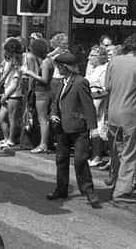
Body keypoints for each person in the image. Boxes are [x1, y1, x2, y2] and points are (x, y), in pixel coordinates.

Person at [46, 52, 101, 208]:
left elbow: (88, 106)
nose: (58, 69)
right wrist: (54, 114)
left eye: (59, 67)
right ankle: (61, 189)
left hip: (79, 128)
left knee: (80, 159)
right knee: (61, 159)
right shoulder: (61, 82)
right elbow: (56, 102)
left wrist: (93, 128)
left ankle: (89, 191)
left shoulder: (80, 82)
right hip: (62, 128)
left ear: (66, 67)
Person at [104, 32, 136, 203]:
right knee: (129, 152)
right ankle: (122, 191)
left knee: (116, 149)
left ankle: (114, 179)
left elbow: (107, 87)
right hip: (130, 113)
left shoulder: (114, 61)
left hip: (113, 110)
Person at [22, 37, 53, 154]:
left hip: (42, 92)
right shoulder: (49, 60)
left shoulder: (45, 63)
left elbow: (44, 79)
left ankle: (43, 144)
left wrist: (31, 73)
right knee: (43, 118)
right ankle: (44, 142)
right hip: (45, 91)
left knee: (42, 119)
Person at [0, 38, 24, 149]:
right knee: (1, 117)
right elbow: (6, 75)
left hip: (14, 94)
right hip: (8, 92)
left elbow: (15, 84)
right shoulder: (11, 62)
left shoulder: (18, 63)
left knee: (12, 118)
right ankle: (6, 138)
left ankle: (11, 140)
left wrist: (5, 94)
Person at [84, 45, 109, 167]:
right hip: (89, 102)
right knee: (92, 129)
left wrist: (91, 96)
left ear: (100, 57)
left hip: (99, 104)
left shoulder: (104, 70)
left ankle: (97, 156)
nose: (89, 58)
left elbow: (105, 90)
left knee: (98, 129)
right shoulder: (93, 69)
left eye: (92, 55)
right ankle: (93, 154)